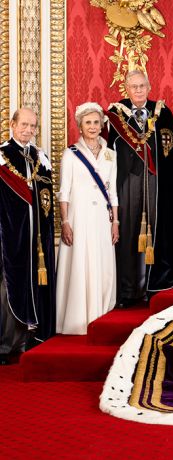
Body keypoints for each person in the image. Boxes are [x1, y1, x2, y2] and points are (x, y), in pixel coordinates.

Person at [107, 70, 173, 307]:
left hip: (157, 184)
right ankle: (129, 288)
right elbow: (108, 152)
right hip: (129, 182)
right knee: (131, 232)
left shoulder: (162, 112)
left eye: (142, 85)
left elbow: (172, 150)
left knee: (156, 230)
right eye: (133, 86)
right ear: (126, 88)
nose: (138, 90)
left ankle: (154, 283)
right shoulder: (116, 113)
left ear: (149, 86)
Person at [56, 102, 118, 334]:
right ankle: (77, 320)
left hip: (102, 219)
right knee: (81, 263)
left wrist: (115, 222)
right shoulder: (70, 154)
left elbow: (113, 193)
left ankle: (101, 317)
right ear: (80, 126)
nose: (93, 127)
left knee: (101, 265)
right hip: (79, 217)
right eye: (88, 123)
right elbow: (64, 191)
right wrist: (65, 222)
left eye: (96, 122)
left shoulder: (110, 155)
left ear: (102, 125)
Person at [0, 108, 56, 363]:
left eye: (33, 126)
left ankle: (32, 338)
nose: (28, 130)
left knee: (35, 283)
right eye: (23, 125)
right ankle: (7, 346)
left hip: (38, 239)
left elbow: (47, 201)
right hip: (11, 236)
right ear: (12, 125)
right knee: (10, 288)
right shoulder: (2, 156)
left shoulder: (39, 157)